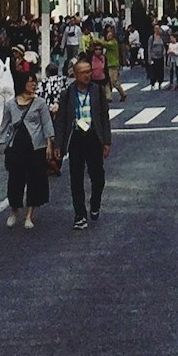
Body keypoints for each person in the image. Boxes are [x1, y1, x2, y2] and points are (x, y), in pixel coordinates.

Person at [0, 73, 57, 229]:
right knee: (15, 180)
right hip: (16, 146)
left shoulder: (40, 103)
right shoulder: (10, 105)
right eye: (30, 82)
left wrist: (49, 144)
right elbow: (4, 125)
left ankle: (29, 215)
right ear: (23, 84)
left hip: (35, 147)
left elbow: (47, 124)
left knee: (35, 180)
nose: (34, 85)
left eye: (35, 82)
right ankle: (14, 210)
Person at [56, 55, 112, 230]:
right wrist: (59, 144)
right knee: (76, 178)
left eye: (90, 72)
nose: (88, 75)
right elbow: (61, 120)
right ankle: (79, 215)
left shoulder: (97, 90)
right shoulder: (67, 93)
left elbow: (104, 116)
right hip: (76, 138)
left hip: (94, 137)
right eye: (84, 73)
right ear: (75, 74)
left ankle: (95, 203)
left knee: (98, 176)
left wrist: (106, 141)